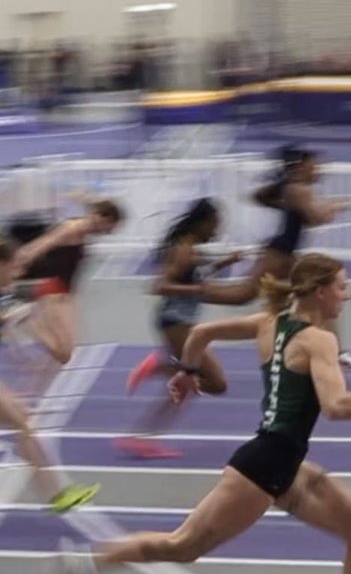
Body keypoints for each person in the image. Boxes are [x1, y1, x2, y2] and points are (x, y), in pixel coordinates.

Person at [37, 252, 351, 574]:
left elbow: (200, 333)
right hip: (263, 467)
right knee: (181, 546)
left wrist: (187, 372)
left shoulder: (267, 323)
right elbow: (336, 406)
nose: (347, 296)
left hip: (283, 463)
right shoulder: (318, 340)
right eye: (343, 288)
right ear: (321, 290)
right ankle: (84, 563)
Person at [198, 146, 351, 368]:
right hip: (278, 255)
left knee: (321, 294)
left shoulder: (291, 188)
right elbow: (315, 218)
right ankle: (194, 290)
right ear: (301, 167)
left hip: (288, 256)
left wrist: (285, 206)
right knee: (242, 295)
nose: (319, 170)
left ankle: (338, 351)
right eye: (315, 165)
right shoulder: (299, 189)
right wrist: (334, 206)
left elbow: (260, 197)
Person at [122, 198, 243, 458]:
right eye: (214, 225)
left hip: (182, 322)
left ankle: (144, 436)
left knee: (196, 384)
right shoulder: (183, 249)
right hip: (176, 321)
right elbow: (159, 286)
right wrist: (197, 290)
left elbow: (196, 272)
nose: (216, 231)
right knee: (213, 383)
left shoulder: (191, 248)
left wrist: (226, 262)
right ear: (201, 223)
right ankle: (157, 373)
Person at [0, 237, 99, 511]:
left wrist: (25, 360)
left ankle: (58, 495)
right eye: (13, 266)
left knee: (24, 424)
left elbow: (10, 334)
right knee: (23, 425)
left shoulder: (4, 294)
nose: (18, 273)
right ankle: (58, 495)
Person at [11, 197, 125, 367]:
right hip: (53, 289)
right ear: (104, 218)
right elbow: (37, 247)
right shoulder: (71, 228)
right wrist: (14, 272)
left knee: (66, 353)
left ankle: (30, 322)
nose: (110, 233)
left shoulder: (83, 233)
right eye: (111, 228)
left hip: (64, 291)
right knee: (64, 354)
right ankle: (29, 322)